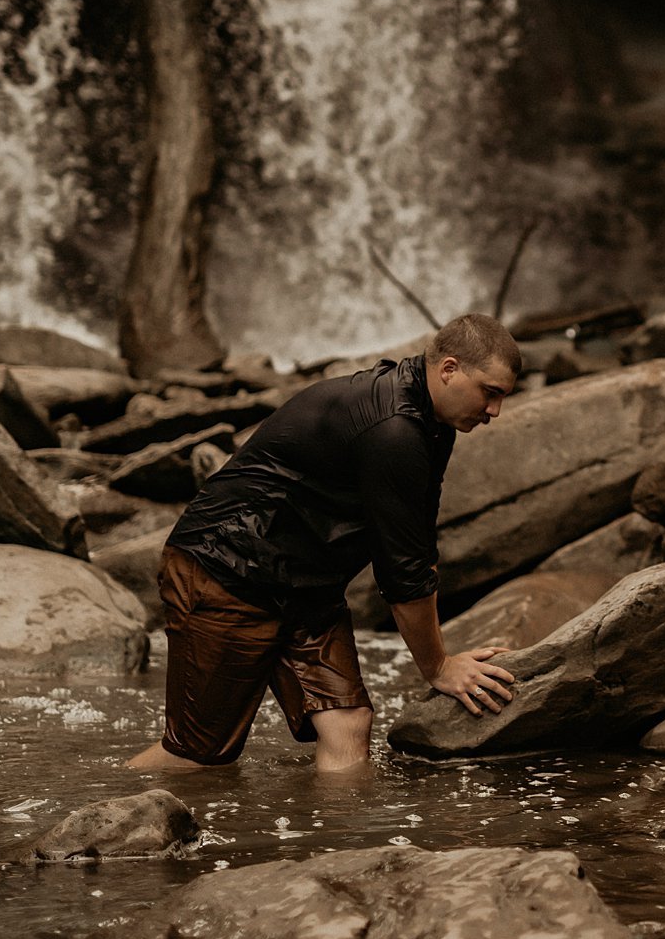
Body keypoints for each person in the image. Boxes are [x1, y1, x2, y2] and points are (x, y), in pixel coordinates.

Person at [126, 313, 524, 773]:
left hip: (303, 584)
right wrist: (438, 667)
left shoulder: (434, 423)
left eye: (503, 398)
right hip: (225, 570)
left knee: (349, 724)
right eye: (490, 393)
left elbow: (415, 541)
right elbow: (403, 572)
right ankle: (100, 812)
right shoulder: (394, 427)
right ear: (449, 369)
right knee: (198, 753)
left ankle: (340, 841)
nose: (495, 412)